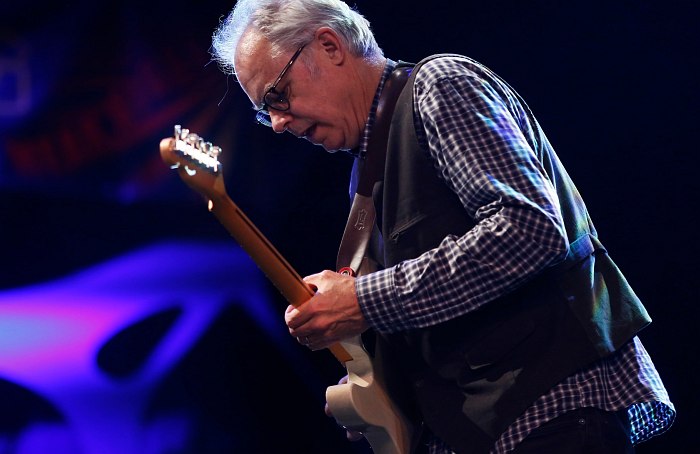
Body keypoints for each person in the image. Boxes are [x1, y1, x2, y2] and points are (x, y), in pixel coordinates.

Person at [209, 0, 675, 452]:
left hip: (549, 410)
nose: (275, 122)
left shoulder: (439, 85)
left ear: (329, 46)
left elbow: (530, 230)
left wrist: (363, 301)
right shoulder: (365, 174)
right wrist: (377, 385)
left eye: (277, 95)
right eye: (262, 110)